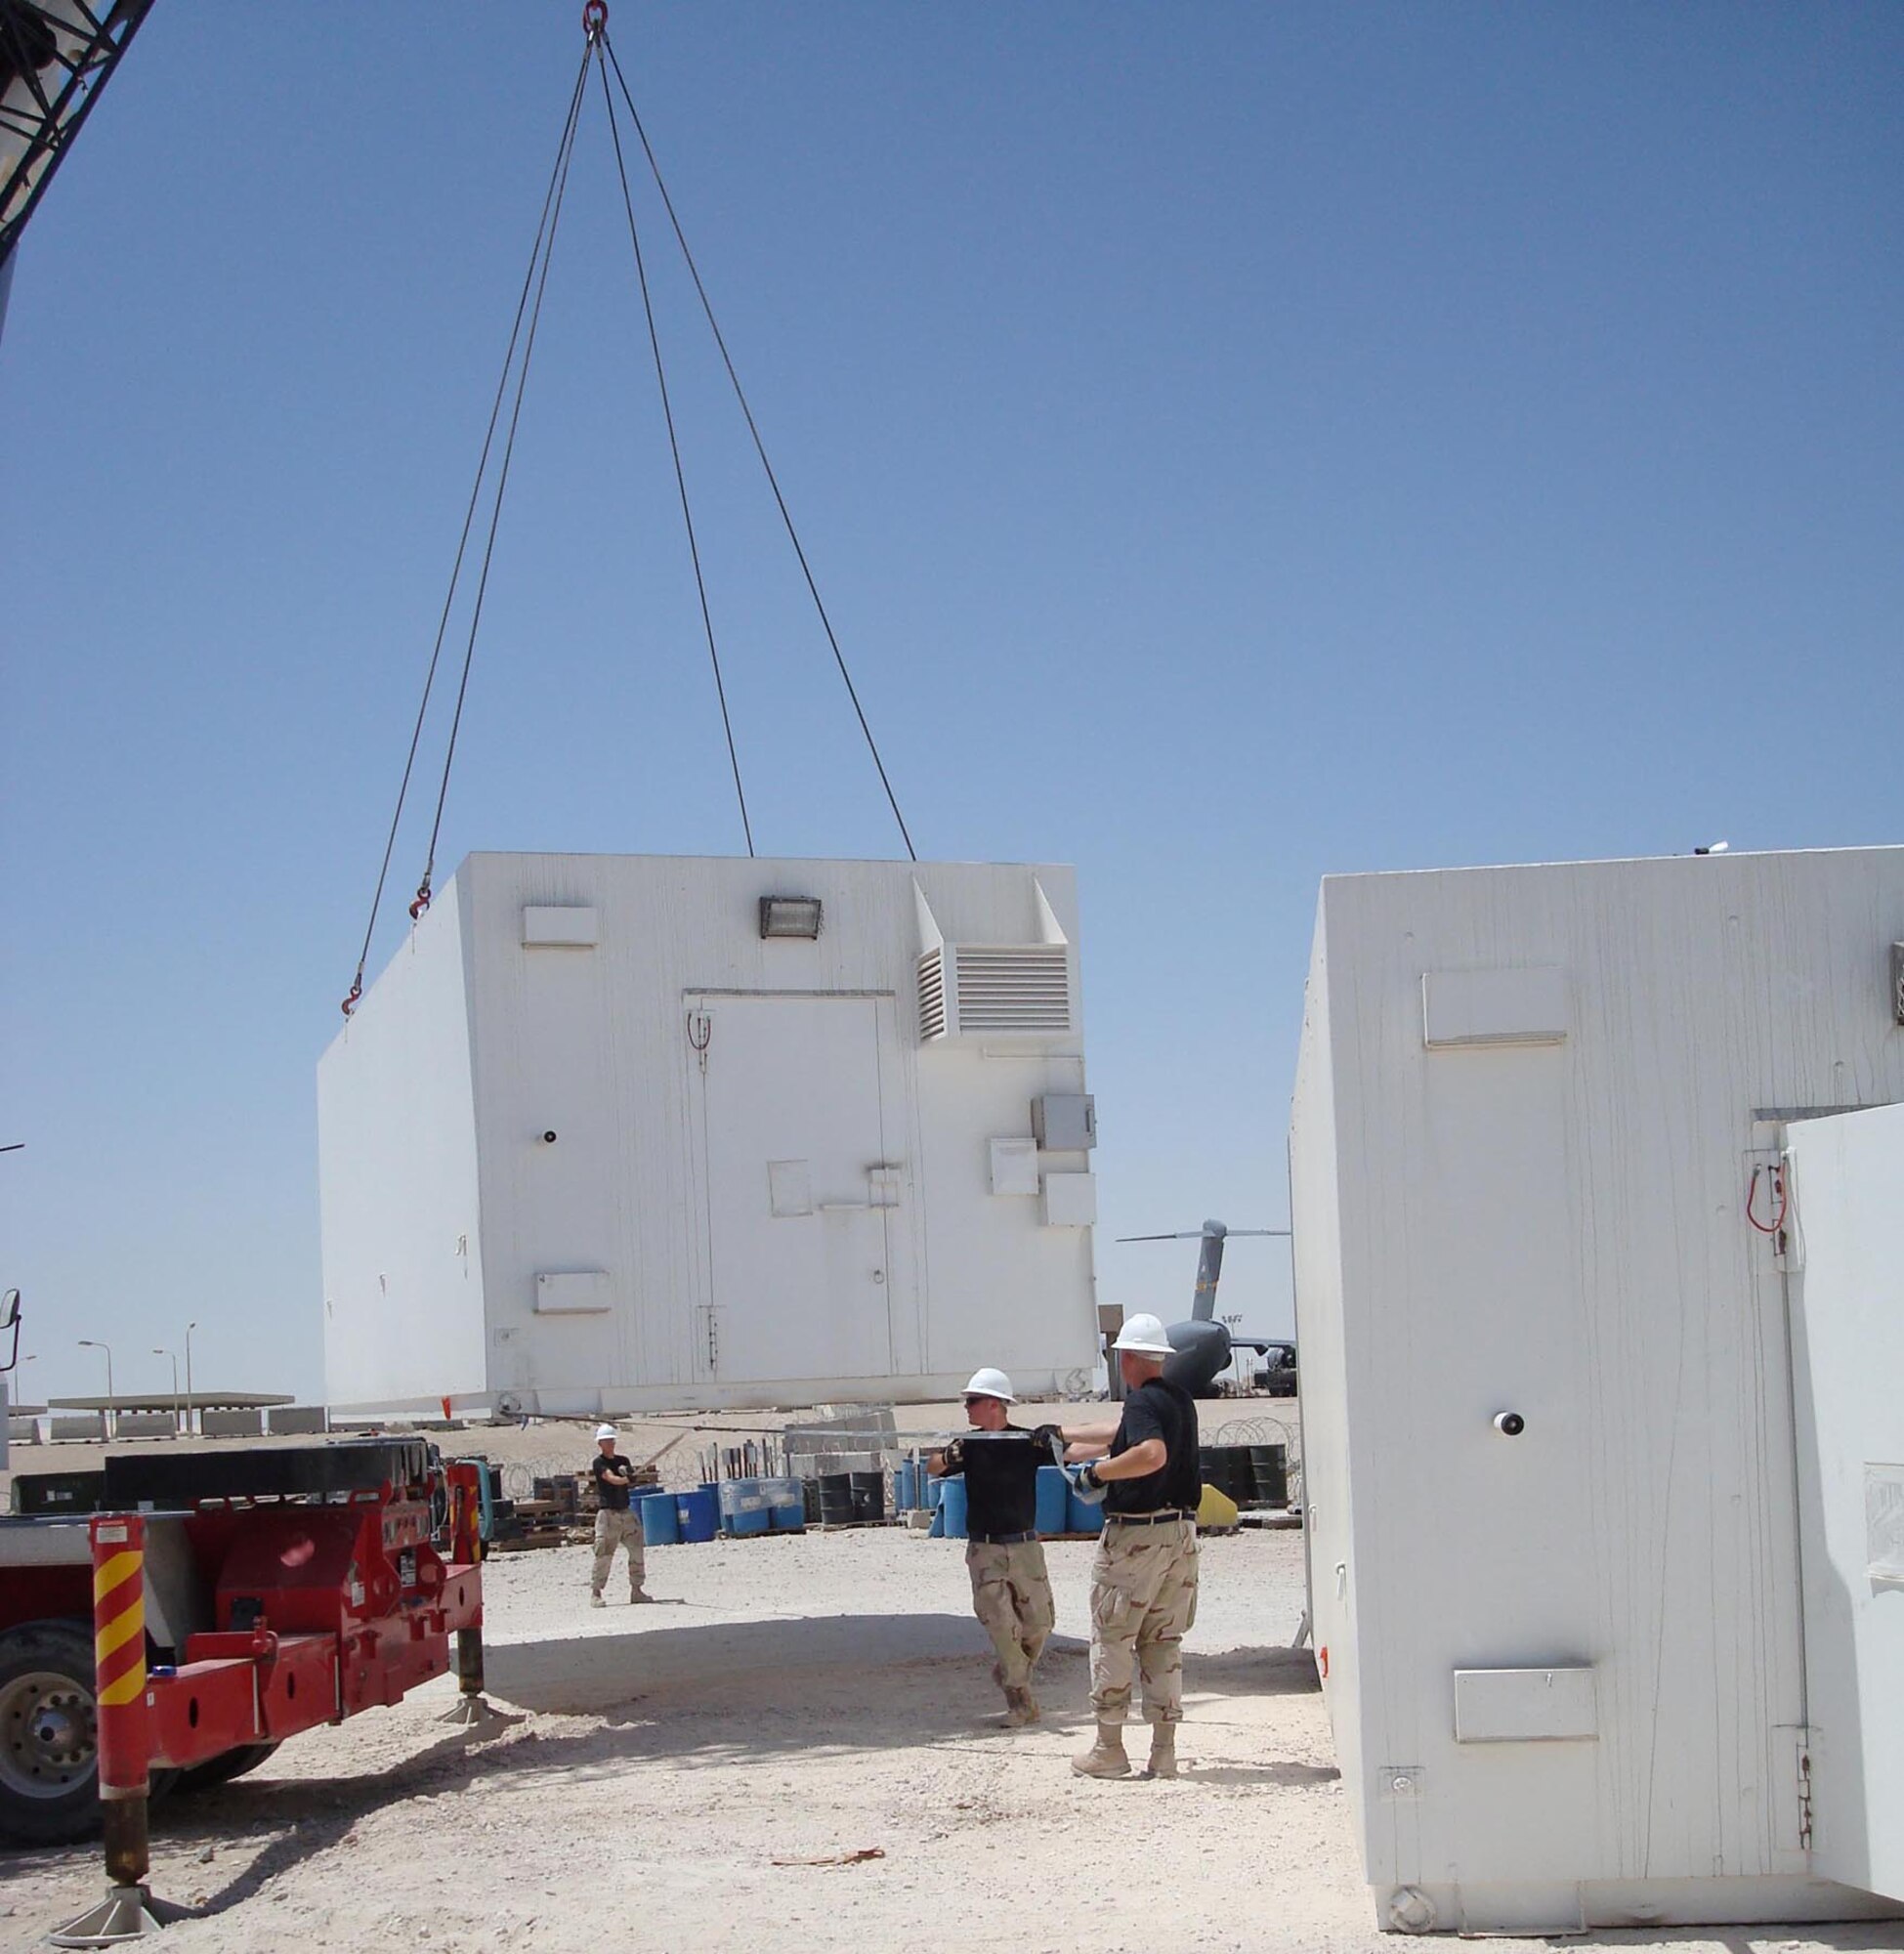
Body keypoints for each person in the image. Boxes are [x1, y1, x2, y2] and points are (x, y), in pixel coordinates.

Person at [1057, 1313, 1200, 1780]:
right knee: (1162, 1641)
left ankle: (1109, 1748)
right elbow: (1119, 1431)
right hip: (1179, 1536)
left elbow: (1149, 1452)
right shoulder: (1177, 1400)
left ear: (1130, 1358)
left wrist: (1098, 1473)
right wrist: (1064, 1437)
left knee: (1113, 1637)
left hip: (1135, 1538)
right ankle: (1163, 1752)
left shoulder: (1141, 1404)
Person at [928, 1367, 1060, 1726]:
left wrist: (1056, 1440)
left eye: (972, 1401)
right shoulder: (969, 1446)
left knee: (1040, 1622)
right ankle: (1020, 1700)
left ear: (995, 1405)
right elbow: (933, 1467)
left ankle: (1011, 1673)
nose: (967, 1407)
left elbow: (1073, 1456)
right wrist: (950, 1454)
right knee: (1002, 1626)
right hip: (985, 1548)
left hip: (1024, 1545)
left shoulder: (1025, 1442)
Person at [589, 1423, 652, 1606]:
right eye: (606, 1441)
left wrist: (630, 1476)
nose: (610, 1443)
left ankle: (637, 1590)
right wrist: (625, 1479)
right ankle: (596, 1593)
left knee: (637, 1551)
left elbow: (627, 1476)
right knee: (604, 1554)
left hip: (626, 1512)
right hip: (608, 1515)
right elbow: (610, 1478)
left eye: (611, 1440)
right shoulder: (599, 1463)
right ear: (600, 1444)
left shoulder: (623, 1460)